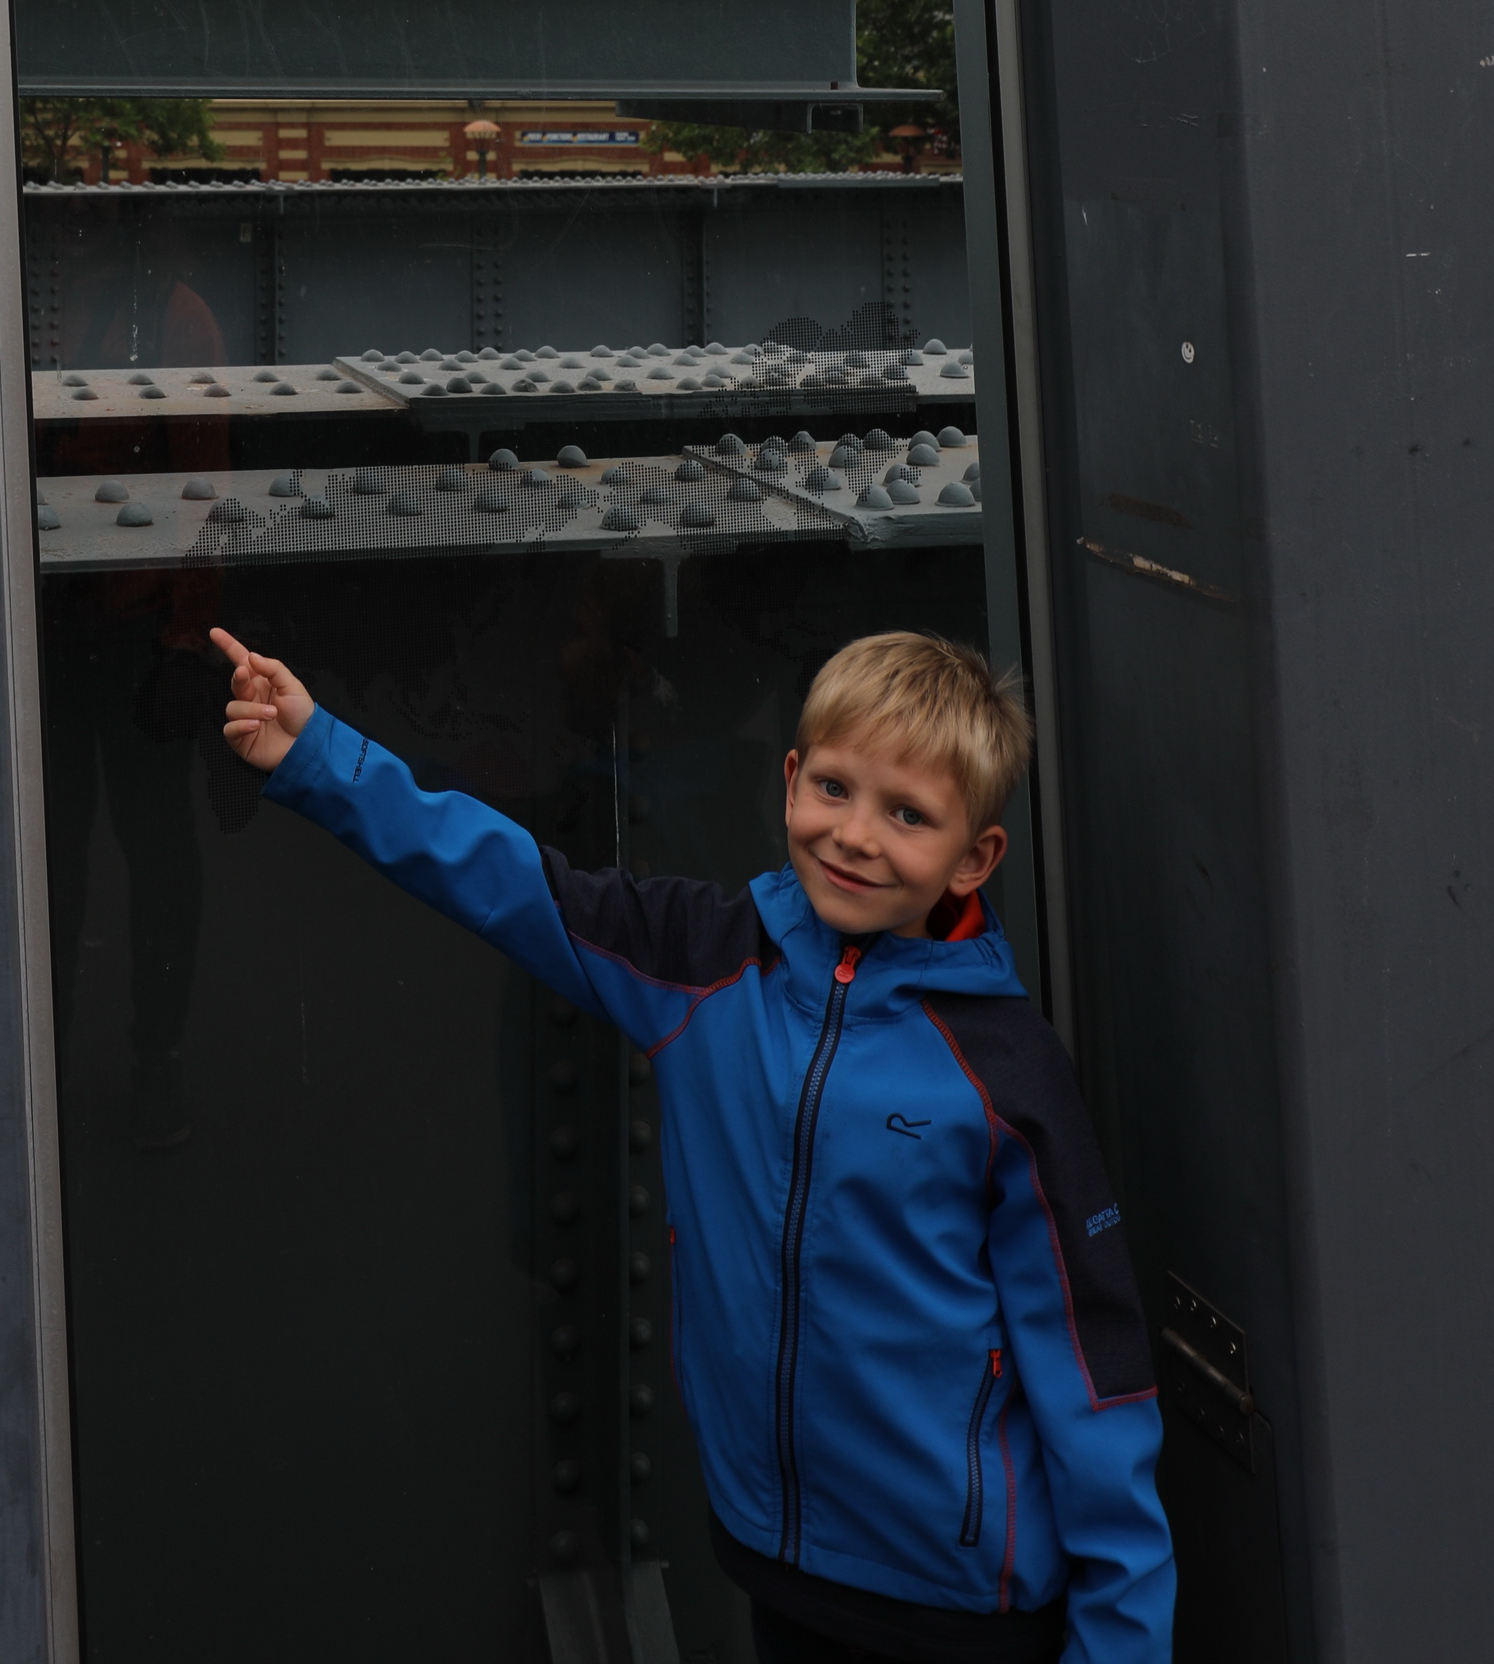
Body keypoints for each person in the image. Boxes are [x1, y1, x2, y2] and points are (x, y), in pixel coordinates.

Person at [211, 621, 1173, 1664]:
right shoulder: (701, 962)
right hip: (776, 1560)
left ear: (970, 858)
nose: (854, 836)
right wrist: (320, 755)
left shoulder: (1005, 1072)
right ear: (790, 777)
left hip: (954, 1603)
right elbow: (506, 881)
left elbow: (1094, 1375)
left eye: (908, 815)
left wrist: (1118, 1643)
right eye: (835, 791)